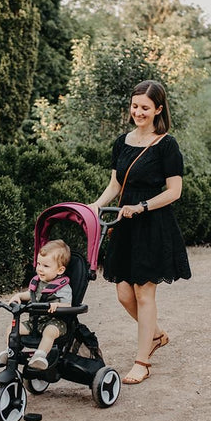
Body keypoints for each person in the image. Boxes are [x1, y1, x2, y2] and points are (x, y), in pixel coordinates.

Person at [88, 80, 191, 385]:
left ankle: (141, 361)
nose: (138, 112)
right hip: (124, 224)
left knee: (144, 293)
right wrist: (96, 204)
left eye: (145, 107)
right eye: (135, 106)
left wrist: (143, 206)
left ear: (159, 109)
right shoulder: (122, 142)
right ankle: (156, 335)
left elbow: (175, 192)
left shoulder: (167, 145)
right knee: (123, 293)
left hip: (152, 224)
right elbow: (116, 184)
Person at [0, 239, 72, 370]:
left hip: (54, 322)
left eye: (46, 266)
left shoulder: (62, 287)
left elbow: (68, 305)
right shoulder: (37, 282)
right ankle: (10, 351)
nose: (40, 269)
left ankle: (40, 356)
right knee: (13, 328)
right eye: (39, 264)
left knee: (49, 331)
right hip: (35, 322)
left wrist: (57, 306)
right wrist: (19, 296)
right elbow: (30, 295)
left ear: (60, 270)